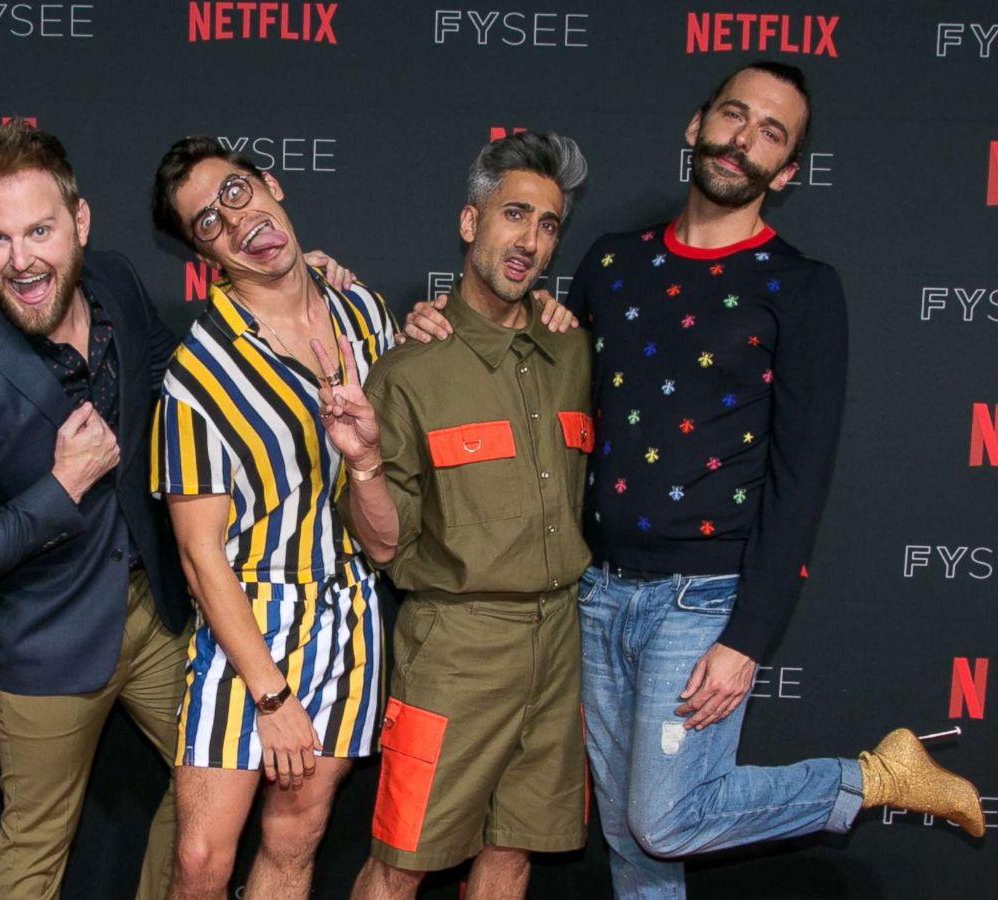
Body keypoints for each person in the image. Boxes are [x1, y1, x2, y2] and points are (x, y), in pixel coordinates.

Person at [405, 61, 984, 900]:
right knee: (633, 845)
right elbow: (530, 347)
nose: (743, 139)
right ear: (696, 126)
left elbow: (801, 477)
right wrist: (437, 323)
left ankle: (872, 778)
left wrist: (747, 636)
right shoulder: (611, 264)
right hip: (595, 595)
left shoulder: (801, 288)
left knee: (665, 818)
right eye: (733, 115)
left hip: (702, 601)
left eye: (771, 133)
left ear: (785, 172)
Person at [0, 122, 193, 900]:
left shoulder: (120, 282)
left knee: (214, 785)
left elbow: (171, 367)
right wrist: (60, 489)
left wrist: (287, 292)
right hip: (45, 644)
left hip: (152, 611)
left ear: (80, 223)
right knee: (34, 853)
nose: (21, 259)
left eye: (39, 230)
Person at [329, 132, 594, 900]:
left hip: (558, 642)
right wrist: (364, 465)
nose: (531, 241)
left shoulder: (572, 351)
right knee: (399, 862)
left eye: (548, 225)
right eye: (515, 215)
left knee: (514, 853)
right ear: (470, 223)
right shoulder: (411, 369)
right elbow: (384, 544)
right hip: (456, 648)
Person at [148, 136, 397, 900]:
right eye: (208, 225)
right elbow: (199, 557)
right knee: (200, 862)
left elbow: (389, 494)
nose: (235, 220)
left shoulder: (363, 312)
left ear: (270, 184)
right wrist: (271, 695)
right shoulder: (200, 370)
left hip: (351, 612)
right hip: (248, 625)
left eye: (235, 193)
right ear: (204, 255)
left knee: (296, 841)